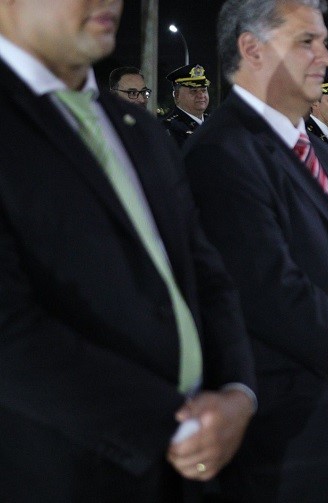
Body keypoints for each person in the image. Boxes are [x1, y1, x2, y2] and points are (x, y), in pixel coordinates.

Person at [0, 1, 257, 500]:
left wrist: (237, 391)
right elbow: (10, 332)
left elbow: (203, 272)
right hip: (66, 470)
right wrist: (173, 423)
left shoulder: (137, 129)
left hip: (192, 462)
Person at [183, 1, 328, 501]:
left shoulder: (315, 150)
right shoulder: (222, 151)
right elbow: (271, 292)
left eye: (324, 42)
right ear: (252, 49)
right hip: (287, 436)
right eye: (307, 42)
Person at [163, 63, 210, 147]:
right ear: (177, 95)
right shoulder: (169, 129)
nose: (201, 95)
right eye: (194, 91)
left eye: (204, 90)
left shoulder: (214, 122)